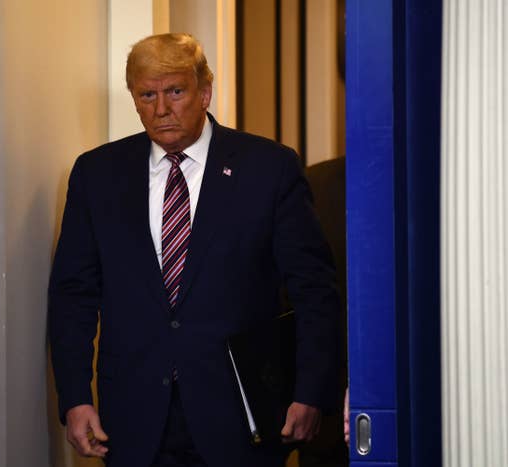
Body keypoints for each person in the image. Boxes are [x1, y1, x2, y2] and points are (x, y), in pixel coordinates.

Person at [49, 33, 340, 467]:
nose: (161, 108)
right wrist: (74, 397)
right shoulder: (97, 175)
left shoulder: (268, 168)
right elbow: (73, 294)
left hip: (242, 421)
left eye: (175, 92)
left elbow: (314, 290)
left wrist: (310, 391)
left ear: (204, 92)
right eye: (147, 94)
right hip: (134, 421)